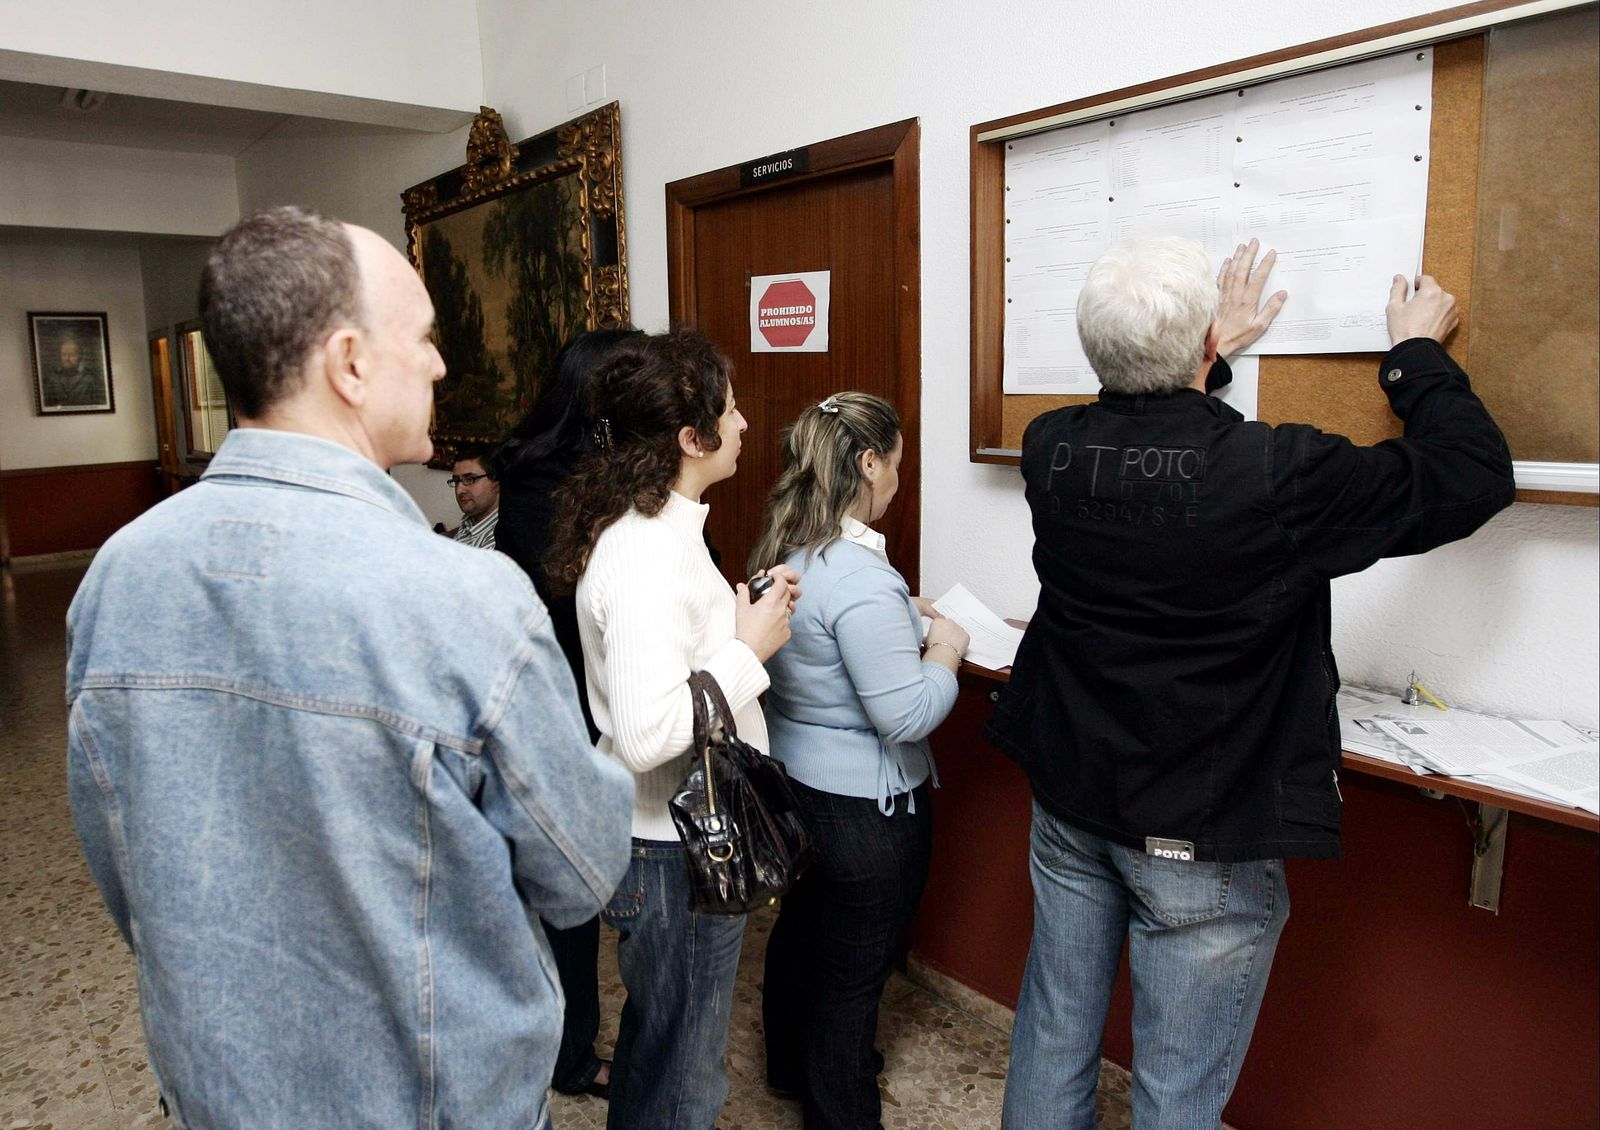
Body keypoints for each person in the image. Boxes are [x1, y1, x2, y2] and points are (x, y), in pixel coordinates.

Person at [65, 205, 634, 1130]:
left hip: (219, 1089)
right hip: (428, 1100)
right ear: (350, 363)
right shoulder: (464, 598)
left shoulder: (118, 574)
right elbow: (582, 874)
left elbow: (128, 869)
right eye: (424, 338)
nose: (440, 365)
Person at [990, 236, 1515, 1129]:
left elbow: (1156, 465)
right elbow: (1471, 475)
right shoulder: (1279, 475)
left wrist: (1202, 355)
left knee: (1052, 1030)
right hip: (1202, 832)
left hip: (1073, 798)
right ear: (1204, 345)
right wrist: (1415, 355)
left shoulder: (1051, 447)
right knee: (1175, 1094)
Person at [546, 328, 799, 1129]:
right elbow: (650, 732)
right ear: (692, 438)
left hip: (675, 844)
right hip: (670, 851)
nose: (746, 424)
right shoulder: (644, 553)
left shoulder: (667, 531)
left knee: (664, 1054)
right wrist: (748, 651)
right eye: (732, 411)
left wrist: (739, 621)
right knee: (684, 1077)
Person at [750, 391, 971, 1129]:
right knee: (852, 980)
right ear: (870, 463)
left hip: (798, 786)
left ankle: (788, 1065)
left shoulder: (792, 551)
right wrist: (947, 650)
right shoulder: (864, 578)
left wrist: (902, 611)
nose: (900, 479)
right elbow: (905, 714)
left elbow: (826, 640)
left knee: (801, 934)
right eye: (898, 463)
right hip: (866, 814)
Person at [491, 326, 643, 1100]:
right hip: (573, 695)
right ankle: (572, 1054)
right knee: (573, 887)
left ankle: (564, 1039)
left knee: (563, 885)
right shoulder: (562, 483)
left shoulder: (534, 469)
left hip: (560, 689)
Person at [449, 444, 502, 547]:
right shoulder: (469, 522)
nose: (459, 490)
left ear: (497, 482)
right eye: (456, 481)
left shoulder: (499, 539)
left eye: (470, 479)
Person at [44, 335, 104, 407]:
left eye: (72, 355)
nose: (67, 359)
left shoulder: (91, 379)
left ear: (80, 356)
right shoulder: (53, 378)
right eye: (64, 355)